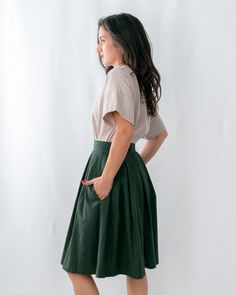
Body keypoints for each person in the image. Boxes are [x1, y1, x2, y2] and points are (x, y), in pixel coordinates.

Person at [60, 12, 168, 295]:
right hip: (127, 170)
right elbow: (159, 134)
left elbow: (123, 130)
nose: (98, 48)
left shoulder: (119, 76)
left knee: (76, 262)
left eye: (102, 40)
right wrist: (134, 166)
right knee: (134, 263)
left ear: (120, 43)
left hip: (107, 167)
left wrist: (108, 176)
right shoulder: (137, 80)